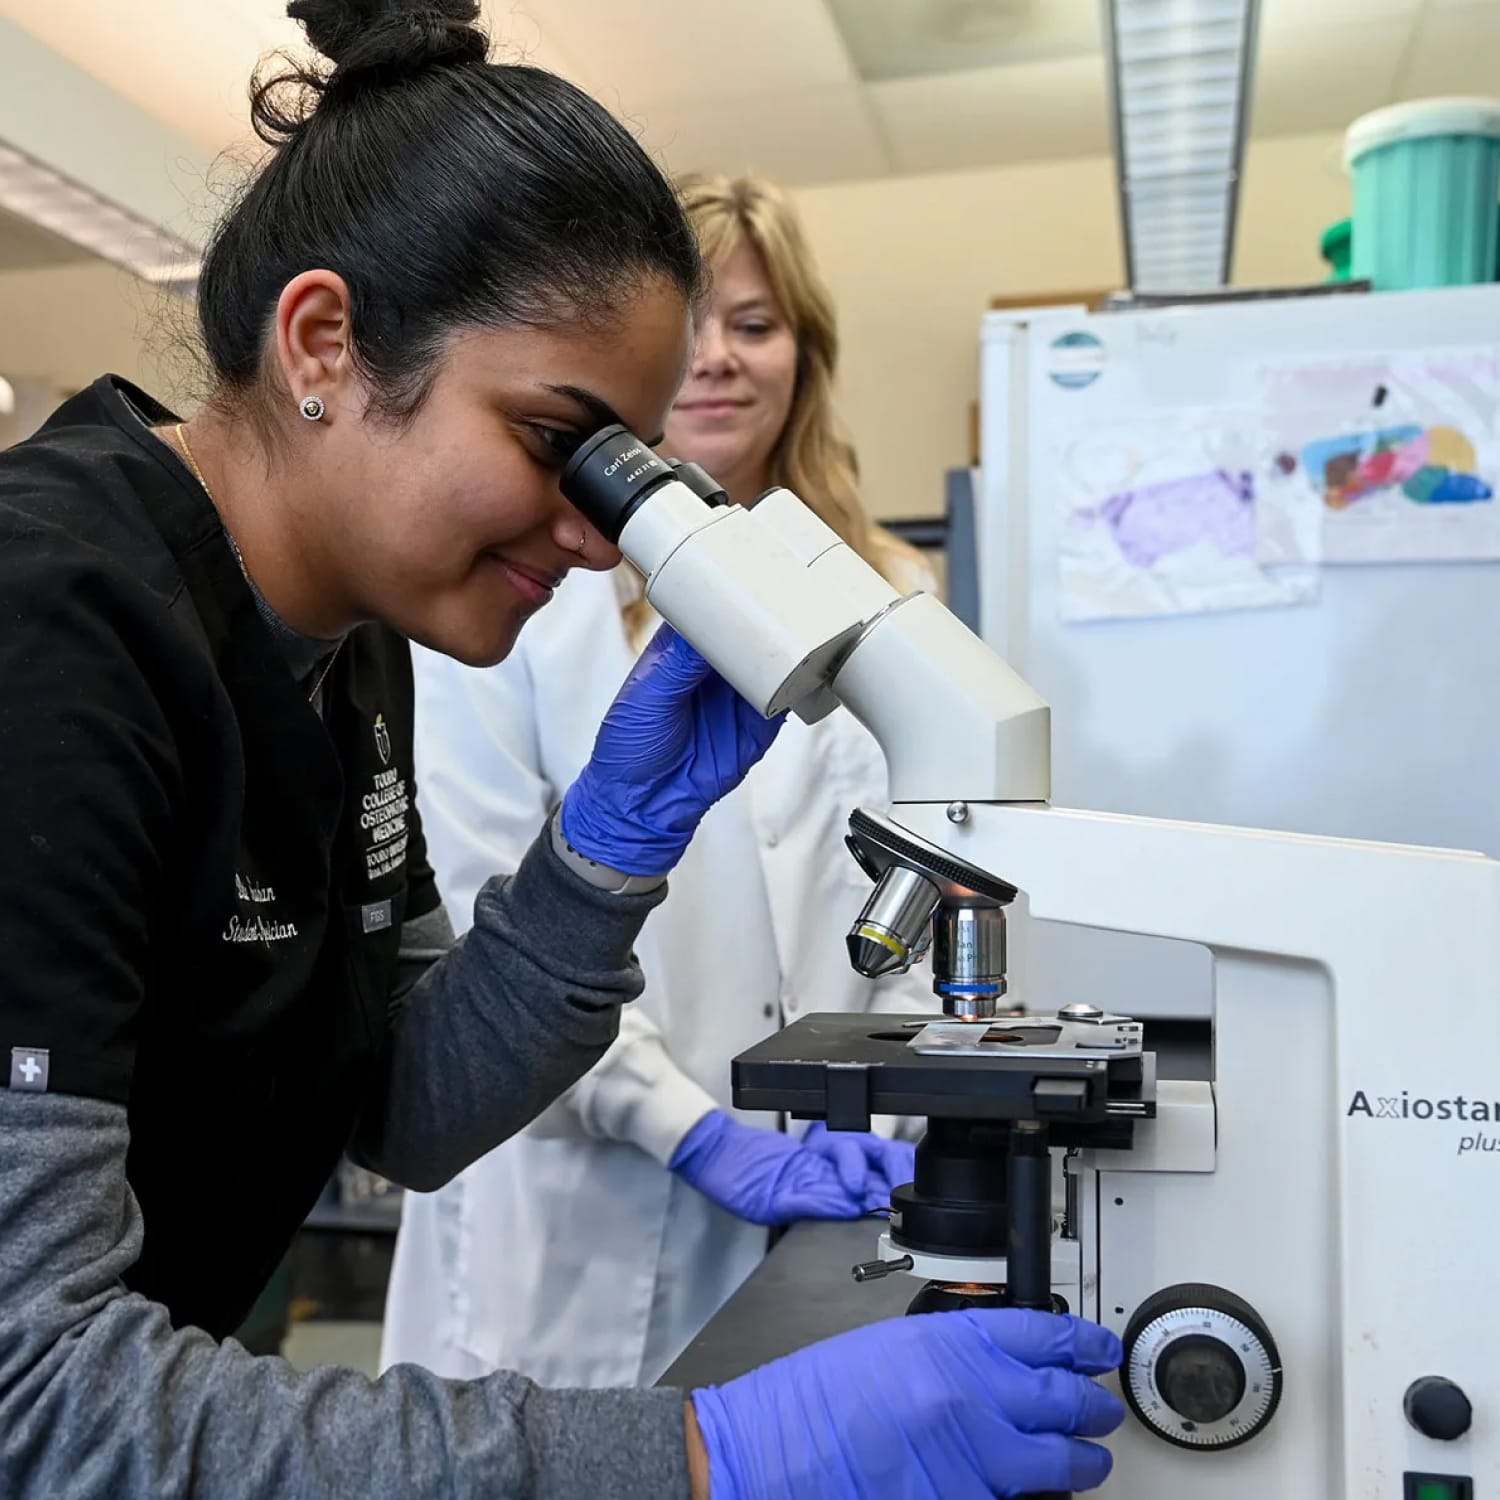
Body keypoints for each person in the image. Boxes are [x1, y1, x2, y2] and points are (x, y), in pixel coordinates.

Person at [0, 3, 1124, 1497]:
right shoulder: (48, 631)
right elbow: (41, 1401)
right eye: (557, 439)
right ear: (324, 340)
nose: (601, 538)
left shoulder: (343, 643)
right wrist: (711, 1452)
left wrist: (603, 854)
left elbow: (398, 1103)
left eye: (630, 470)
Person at [381, 173, 937, 1390]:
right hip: (560, 1200)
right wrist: (687, 1130)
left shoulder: (892, 588)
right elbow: (480, 913)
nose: (719, 362)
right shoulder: (524, 590)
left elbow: (937, 870)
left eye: (756, 323)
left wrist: (891, 1120)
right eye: (691, 332)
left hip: (815, 1187)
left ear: (808, 355)